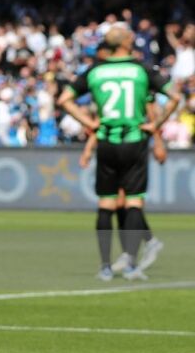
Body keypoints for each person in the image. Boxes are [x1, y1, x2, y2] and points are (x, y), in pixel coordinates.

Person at [58, 26, 180, 281]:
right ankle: (131, 264)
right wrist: (156, 126)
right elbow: (175, 97)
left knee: (106, 203)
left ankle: (105, 266)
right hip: (134, 140)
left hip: (106, 141)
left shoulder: (95, 70)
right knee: (134, 201)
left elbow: (64, 100)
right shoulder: (141, 70)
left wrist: (89, 123)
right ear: (126, 42)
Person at [79, 101, 167, 276]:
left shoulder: (140, 92)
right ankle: (138, 248)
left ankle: (141, 247)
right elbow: (104, 121)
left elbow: (151, 114)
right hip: (117, 146)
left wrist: (158, 142)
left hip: (133, 146)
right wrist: (89, 148)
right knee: (121, 202)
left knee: (129, 200)